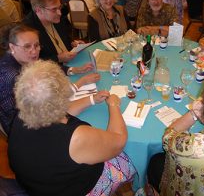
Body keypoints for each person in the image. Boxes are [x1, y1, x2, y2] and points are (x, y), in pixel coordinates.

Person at [8, 60, 136, 196]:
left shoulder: (25, 113)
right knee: (130, 160)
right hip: (73, 190)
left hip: (38, 186)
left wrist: (91, 99)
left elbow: (56, 111)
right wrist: (114, 105)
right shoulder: (75, 137)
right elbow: (119, 141)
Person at [0, 23, 102, 136]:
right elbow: (43, 110)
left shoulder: (20, 60)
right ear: (12, 47)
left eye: (36, 45)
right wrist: (82, 84)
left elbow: (44, 65)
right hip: (26, 129)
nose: (34, 51)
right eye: (27, 46)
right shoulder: (13, 77)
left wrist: (73, 70)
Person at [23, 0, 81, 64]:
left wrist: (73, 43)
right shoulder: (27, 30)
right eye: (54, 9)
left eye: (59, 7)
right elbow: (32, 61)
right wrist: (57, 58)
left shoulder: (56, 18)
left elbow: (65, 38)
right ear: (39, 10)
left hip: (71, 61)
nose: (59, 13)